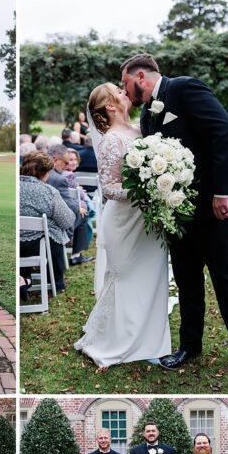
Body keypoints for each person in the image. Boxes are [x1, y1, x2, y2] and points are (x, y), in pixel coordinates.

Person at [122, 53, 228, 385]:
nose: (123, 91)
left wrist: (223, 191)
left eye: (125, 83)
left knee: (225, 277)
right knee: (186, 279)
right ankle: (189, 346)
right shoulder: (146, 115)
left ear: (141, 76)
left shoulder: (183, 89)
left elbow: (224, 132)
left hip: (215, 203)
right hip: (177, 209)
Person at [74, 83, 171, 368]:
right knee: (127, 277)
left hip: (148, 218)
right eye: (117, 90)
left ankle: (151, 341)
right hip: (124, 221)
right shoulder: (111, 140)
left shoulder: (141, 130)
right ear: (111, 107)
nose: (123, 90)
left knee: (152, 276)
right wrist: (145, 190)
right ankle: (117, 340)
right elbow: (110, 188)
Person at [19, 150, 77, 295]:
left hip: (17, 244)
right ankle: (57, 283)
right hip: (39, 247)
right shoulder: (49, 191)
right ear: (45, 172)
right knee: (53, 233)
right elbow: (67, 220)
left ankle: (24, 278)